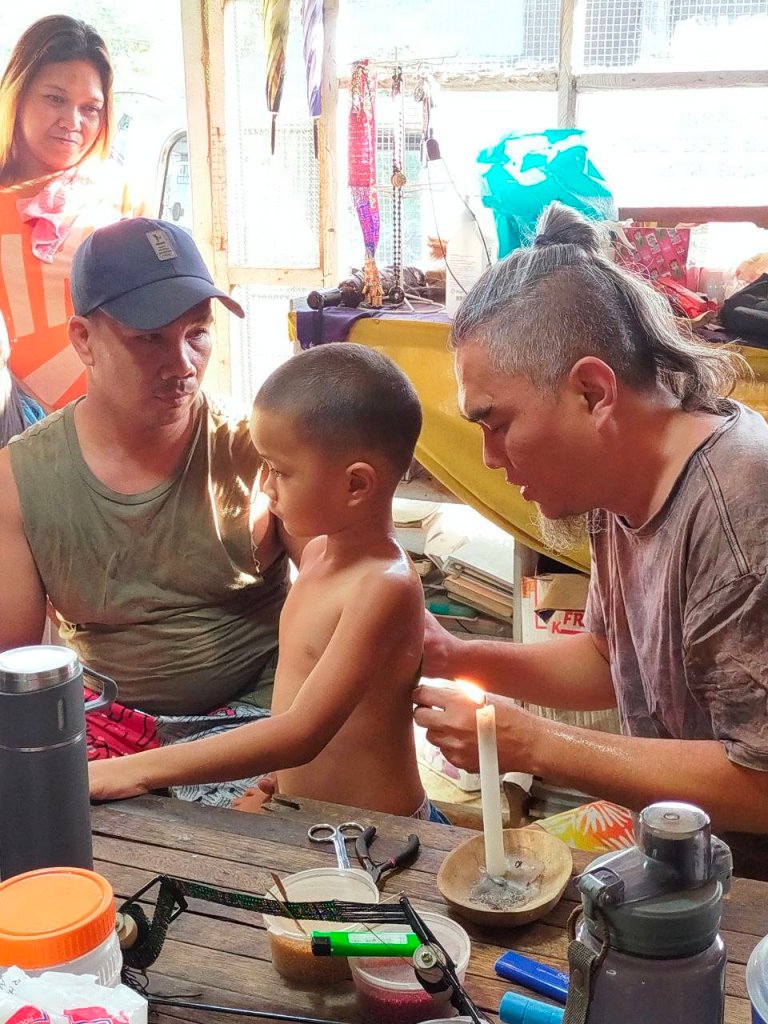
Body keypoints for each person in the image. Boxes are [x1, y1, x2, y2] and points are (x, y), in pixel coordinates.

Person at [413, 202, 768, 877]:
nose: (489, 457)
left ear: (593, 391)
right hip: (685, 851)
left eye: (497, 424)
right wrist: (456, 655)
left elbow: (761, 781)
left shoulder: (741, 517)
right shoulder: (621, 475)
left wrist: (536, 744)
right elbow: (612, 659)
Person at [89, 342, 447, 823]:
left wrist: (135, 770)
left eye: (280, 471)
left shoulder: (383, 585)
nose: (266, 486)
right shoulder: (317, 556)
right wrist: (282, 781)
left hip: (381, 833)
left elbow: (303, 731)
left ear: (356, 485)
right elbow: (309, 702)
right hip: (308, 817)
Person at [0, 217, 291, 805]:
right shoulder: (19, 481)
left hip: (258, 725)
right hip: (107, 727)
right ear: (84, 339)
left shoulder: (261, 447)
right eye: (149, 338)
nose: (182, 364)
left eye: (197, 333)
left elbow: (346, 595)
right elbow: (17, 669)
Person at [0, 15, 143, 412]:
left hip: (114, 419)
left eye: (90, 108)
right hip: (11, 427)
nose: (72, 122)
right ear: (17, 95)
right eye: (55, 99)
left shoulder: (122, 193)